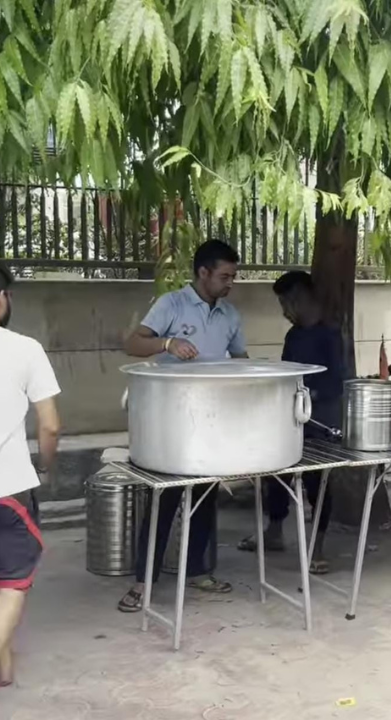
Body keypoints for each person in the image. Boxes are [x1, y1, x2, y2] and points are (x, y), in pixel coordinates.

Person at [118, 239, 246, 612]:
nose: (230, 283)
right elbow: (133, 343)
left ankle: (198, 571)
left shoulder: (230, 315)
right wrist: (168, 343)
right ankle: (143, 582)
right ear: (203, 272)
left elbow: (241, 360)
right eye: (224, 276)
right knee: (165, 498)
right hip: (171, 421)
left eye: (233, 277)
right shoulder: (170, 304)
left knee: (206, 494)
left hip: (212, 417)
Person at [0, 260, 61, 688]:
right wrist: (46, 467)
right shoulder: (24, 348)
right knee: (12, 583)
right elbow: (49, 424)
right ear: (1, 300)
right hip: (7, 488)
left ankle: (2, 669)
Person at [236, 271, 344, 574]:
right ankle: (274, 531)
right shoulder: (294, 335)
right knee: (277, 473)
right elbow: (287, 373)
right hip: (292, 416)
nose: (283, 311)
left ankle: (318, 546)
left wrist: (306, 398)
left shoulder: (330, 334)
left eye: (284, 303)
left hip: (322, 421)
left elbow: (337, 383)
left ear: (298, 299)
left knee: (317, 483)